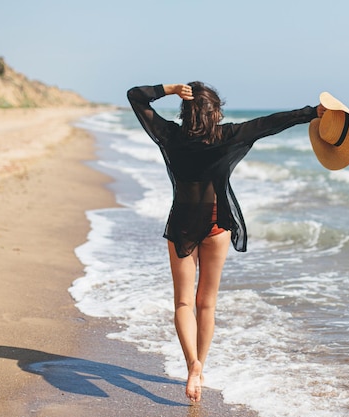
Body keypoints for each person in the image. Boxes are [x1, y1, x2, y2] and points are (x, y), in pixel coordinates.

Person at [127, 82, 323, 402]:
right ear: (215, 112)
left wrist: (170, 88)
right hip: (218, 224)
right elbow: (271, 123)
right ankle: (201, 366)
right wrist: (312, 113)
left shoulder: (169, 136)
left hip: (182, 223)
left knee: (183, 303)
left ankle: (191, 364)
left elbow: (135, 96)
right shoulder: (227, 135)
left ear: (185, 111)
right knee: (207, 303)